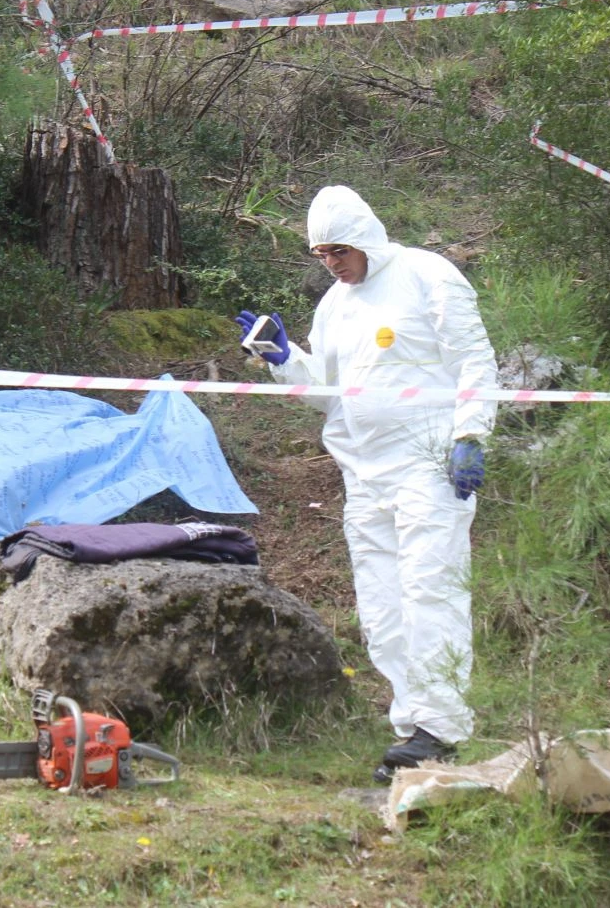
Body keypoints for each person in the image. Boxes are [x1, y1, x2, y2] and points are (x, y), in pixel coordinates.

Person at [235, 185, 497, 784]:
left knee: (431, 590)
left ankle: (442, 728)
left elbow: (475, 361)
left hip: (429, 467)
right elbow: (325, 392)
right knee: (381, 604)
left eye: (339, 249)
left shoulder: (428, 275)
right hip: (363, 474)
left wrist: (471, 435)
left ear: (368, 238)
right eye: (321, 252)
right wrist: (284, 359)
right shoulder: (334, 306)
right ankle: (412, 724)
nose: (331, 261)